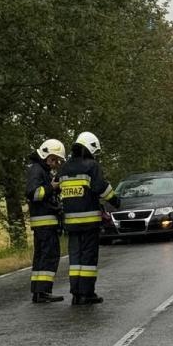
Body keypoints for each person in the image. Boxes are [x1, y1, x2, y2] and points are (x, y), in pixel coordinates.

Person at [58, 130, 120, 305]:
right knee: (88, 260)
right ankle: (87, 294)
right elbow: (101, 187)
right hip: (89, 222)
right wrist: (115, 200)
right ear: (90, 147)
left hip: (71, 223)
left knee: (75, 259)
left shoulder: (65, 167)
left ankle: (76, 294)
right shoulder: (91, 166)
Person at [26, 138, 67, 303]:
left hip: (43, 222)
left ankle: (38, 292)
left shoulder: (39, 170)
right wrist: (52, 188)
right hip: (45, 222)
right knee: (49, 256)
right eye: (54, 159)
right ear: (46, 156)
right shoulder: (37, 170)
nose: (56, 164)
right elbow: (33, 193)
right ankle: (43, 292)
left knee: (41, 257)